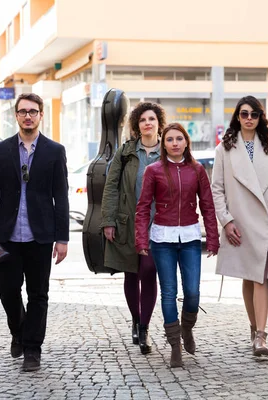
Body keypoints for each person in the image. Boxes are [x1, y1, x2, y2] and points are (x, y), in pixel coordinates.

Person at [0, 93, 69, 372]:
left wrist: (62, 238)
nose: (28, 116)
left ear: (41, 115)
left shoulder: (54, 151)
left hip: (41, 236)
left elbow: (61, 197)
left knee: (38, 294)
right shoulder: (1, 150)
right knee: (6, 290)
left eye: (33, 111)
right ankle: (18, 330)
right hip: (6, 236)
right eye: (23, 111)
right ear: (16, 116)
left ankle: (32, 350)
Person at [211, 95, 268, 357]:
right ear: (237, 116)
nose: (248, 118)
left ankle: (261, 335)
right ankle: (254, 326)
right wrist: (227, 220)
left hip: (267, 221)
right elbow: (217, 190)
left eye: (254, 114)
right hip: (241, 221)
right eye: (244, 114)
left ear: (260, 118)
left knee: (263, 276)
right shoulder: (224, 149)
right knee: (250, 275)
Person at [135, 123, 219, 368]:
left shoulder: (197, 169)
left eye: (179, 139)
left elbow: (207, 206)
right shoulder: (153, 170)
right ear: (164, 143)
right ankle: (175, 346)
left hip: (191, 238)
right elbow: (142, 208)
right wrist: (141, 239)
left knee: (192, 292)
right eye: (169, 139)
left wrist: (212, 237)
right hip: (162, 240)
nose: (174, 143)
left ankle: (187, 329)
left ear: (186, 142)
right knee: (168, 292)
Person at [101, 102, 165, 355]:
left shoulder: (168, 150)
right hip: (127, 222)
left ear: (159, 122)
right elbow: (111, 186)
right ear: (137, 125)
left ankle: (146, 327)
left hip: (157, 223)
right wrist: (108, 220)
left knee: (149, 271)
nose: (147, 123)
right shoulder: (126, 152)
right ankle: (136, 320)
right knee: (131, 274)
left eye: (152, 118)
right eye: (142, 120)